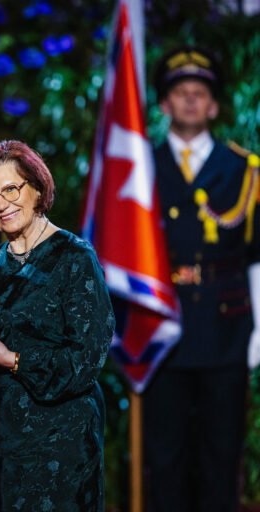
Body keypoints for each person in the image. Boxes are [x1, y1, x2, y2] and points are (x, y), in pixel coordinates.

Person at [0, 140, 114, 510]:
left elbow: (84, 362)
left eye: (11, 189)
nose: (1, 204)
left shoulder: (76, 258)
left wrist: (12, 359)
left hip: (60, 446)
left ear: (37, 189)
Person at [144, 46, 260, 512]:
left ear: (213, 106)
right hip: (160, 326)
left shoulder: (243, 168)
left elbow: (256, 256)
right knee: (164, 452)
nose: (190, 99)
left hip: (226, 326)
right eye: (180, 91)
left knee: (221, 450)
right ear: (164, 104)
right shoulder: (139, 167)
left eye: (200, 92)